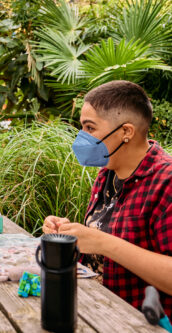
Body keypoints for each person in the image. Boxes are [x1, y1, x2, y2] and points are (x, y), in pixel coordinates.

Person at [42, 81, 172, 316]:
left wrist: (103, 242)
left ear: (126, 132)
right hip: (93, 309)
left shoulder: (166, 181)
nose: (81, 137)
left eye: (90, 128)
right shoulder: (107, 174)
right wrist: (70, 233)